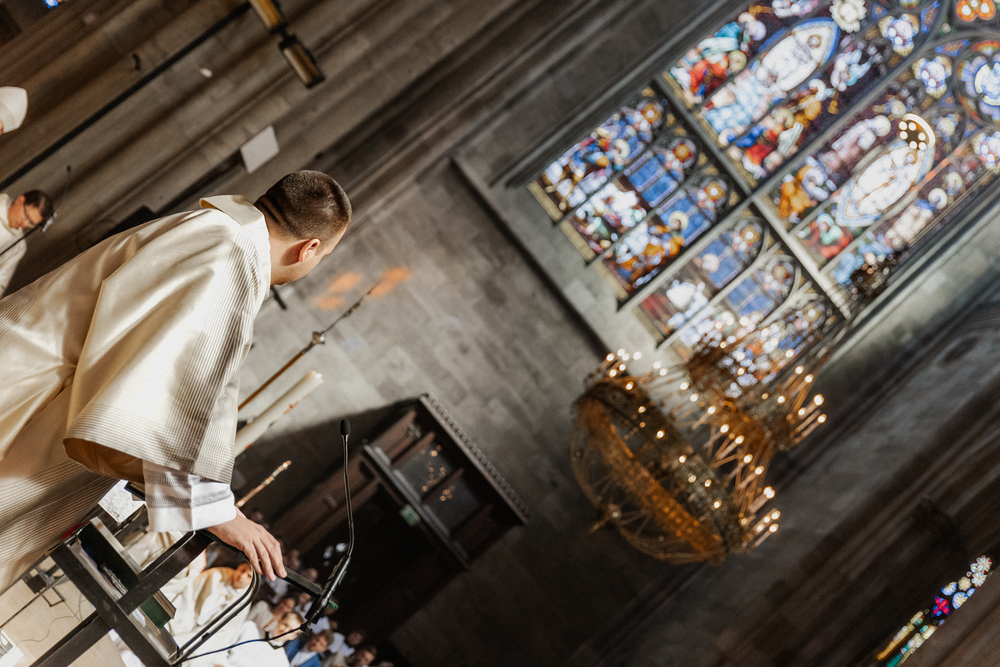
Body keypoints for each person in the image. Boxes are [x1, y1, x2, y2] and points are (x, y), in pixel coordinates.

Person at [0, 170, 351, 593]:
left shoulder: (216, 231)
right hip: (31, 406)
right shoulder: (231, 257)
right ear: (309, 249)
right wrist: (215, 509)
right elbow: (158, 387)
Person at [0, 190, 53, 296]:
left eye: (31, 223)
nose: (24, 223)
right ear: (20, 200)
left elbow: (1, 281)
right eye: (26, 215)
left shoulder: (19, 246)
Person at [219, 610, 304, 667]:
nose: (285, 630)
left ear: (293, 637)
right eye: (285, 624)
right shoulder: (249, 627)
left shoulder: (282, 663)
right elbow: (221, 645)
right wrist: (219, 663)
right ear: (279, 620)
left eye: (291, 631)